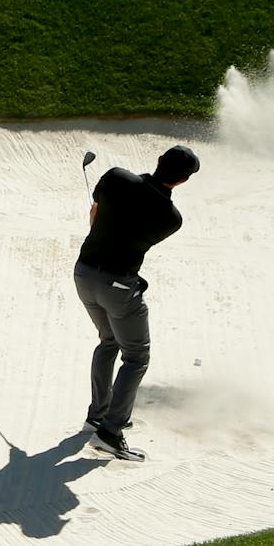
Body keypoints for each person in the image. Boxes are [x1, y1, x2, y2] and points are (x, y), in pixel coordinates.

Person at [74, 144, 200, 461]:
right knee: (136, 357)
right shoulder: (171, 219)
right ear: (184, 181)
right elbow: (130, 233)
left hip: (84, 274)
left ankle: (97, 416)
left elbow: (95, 215)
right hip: (118, 285)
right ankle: (110, 431)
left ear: (158, 161)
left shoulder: (115, 177)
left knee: (108, 341)